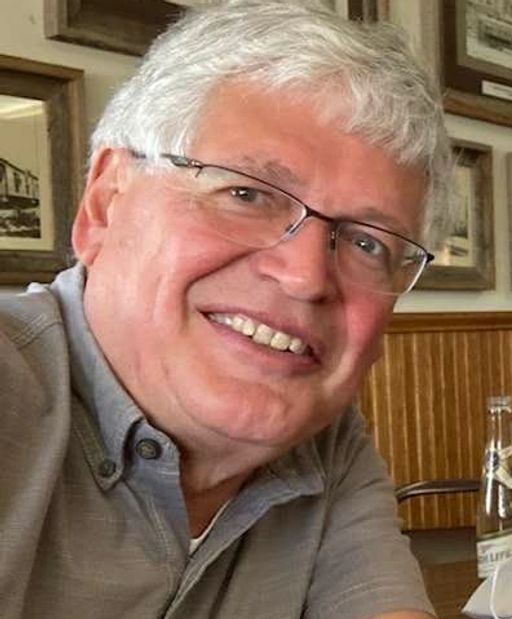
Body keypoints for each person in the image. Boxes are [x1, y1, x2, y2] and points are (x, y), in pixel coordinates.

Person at [0, 1, 450, 617]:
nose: (305, 277)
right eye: (246, 194)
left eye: (368, 242)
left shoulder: (324, 444)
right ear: (105, 203)